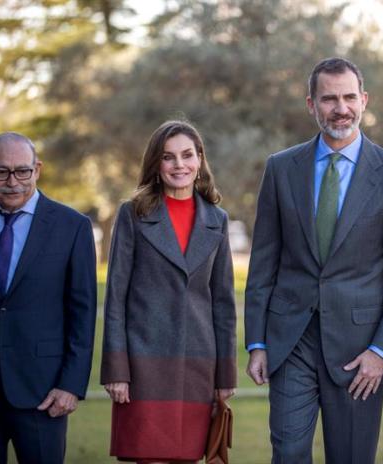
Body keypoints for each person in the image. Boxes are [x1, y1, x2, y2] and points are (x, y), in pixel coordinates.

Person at [244, 57, 383, 463]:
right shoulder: (281, 168)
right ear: (312, 104)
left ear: (364, 99)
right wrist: (257, 342)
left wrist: (382, 351)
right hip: (292, 341)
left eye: (348, 97)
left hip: (359, 351)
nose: (340, 108)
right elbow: (263, 261)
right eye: (329, 99)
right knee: (288, 453)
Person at [100, 120, 236, 463]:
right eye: (168, 157)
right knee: (150, 457)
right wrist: (116, 369)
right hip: (145, 364)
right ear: (156, 165)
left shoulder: (217, 220)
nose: (179, 165)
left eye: (187, 155)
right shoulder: (133, 214)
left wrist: (225, 374)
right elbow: (116, 297)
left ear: (200, 159)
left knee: (189, 457)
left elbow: (223, 303)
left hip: (198, 366)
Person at [0, 132, 97, 464]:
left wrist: (71, 385)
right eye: (1, 172)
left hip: (43, 392)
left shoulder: (71, 226)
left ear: (38, 169)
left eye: (22, 171)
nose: (12, 181)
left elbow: (83, 311)